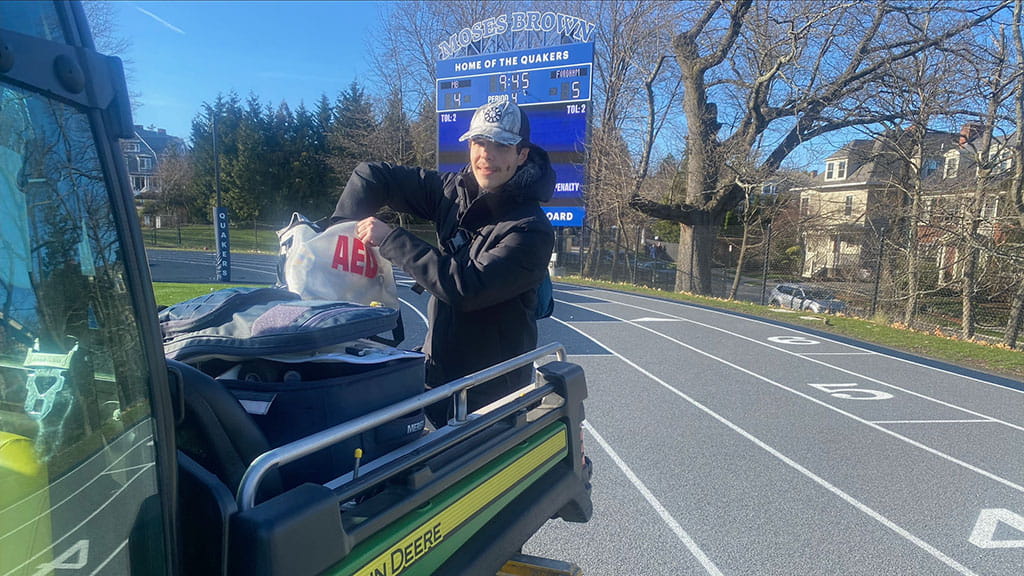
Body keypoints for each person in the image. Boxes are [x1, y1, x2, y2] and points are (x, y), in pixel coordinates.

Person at [332, 100, 556, 426]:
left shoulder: (531, 229)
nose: (486, 155)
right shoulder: (454, 191)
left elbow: (466, 287)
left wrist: (391, 238)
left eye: (501, 145)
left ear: (521, 155)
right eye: (479, 142)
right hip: (436, 374)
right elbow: (372, 176)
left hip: (490, 395)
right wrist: (330, 242)